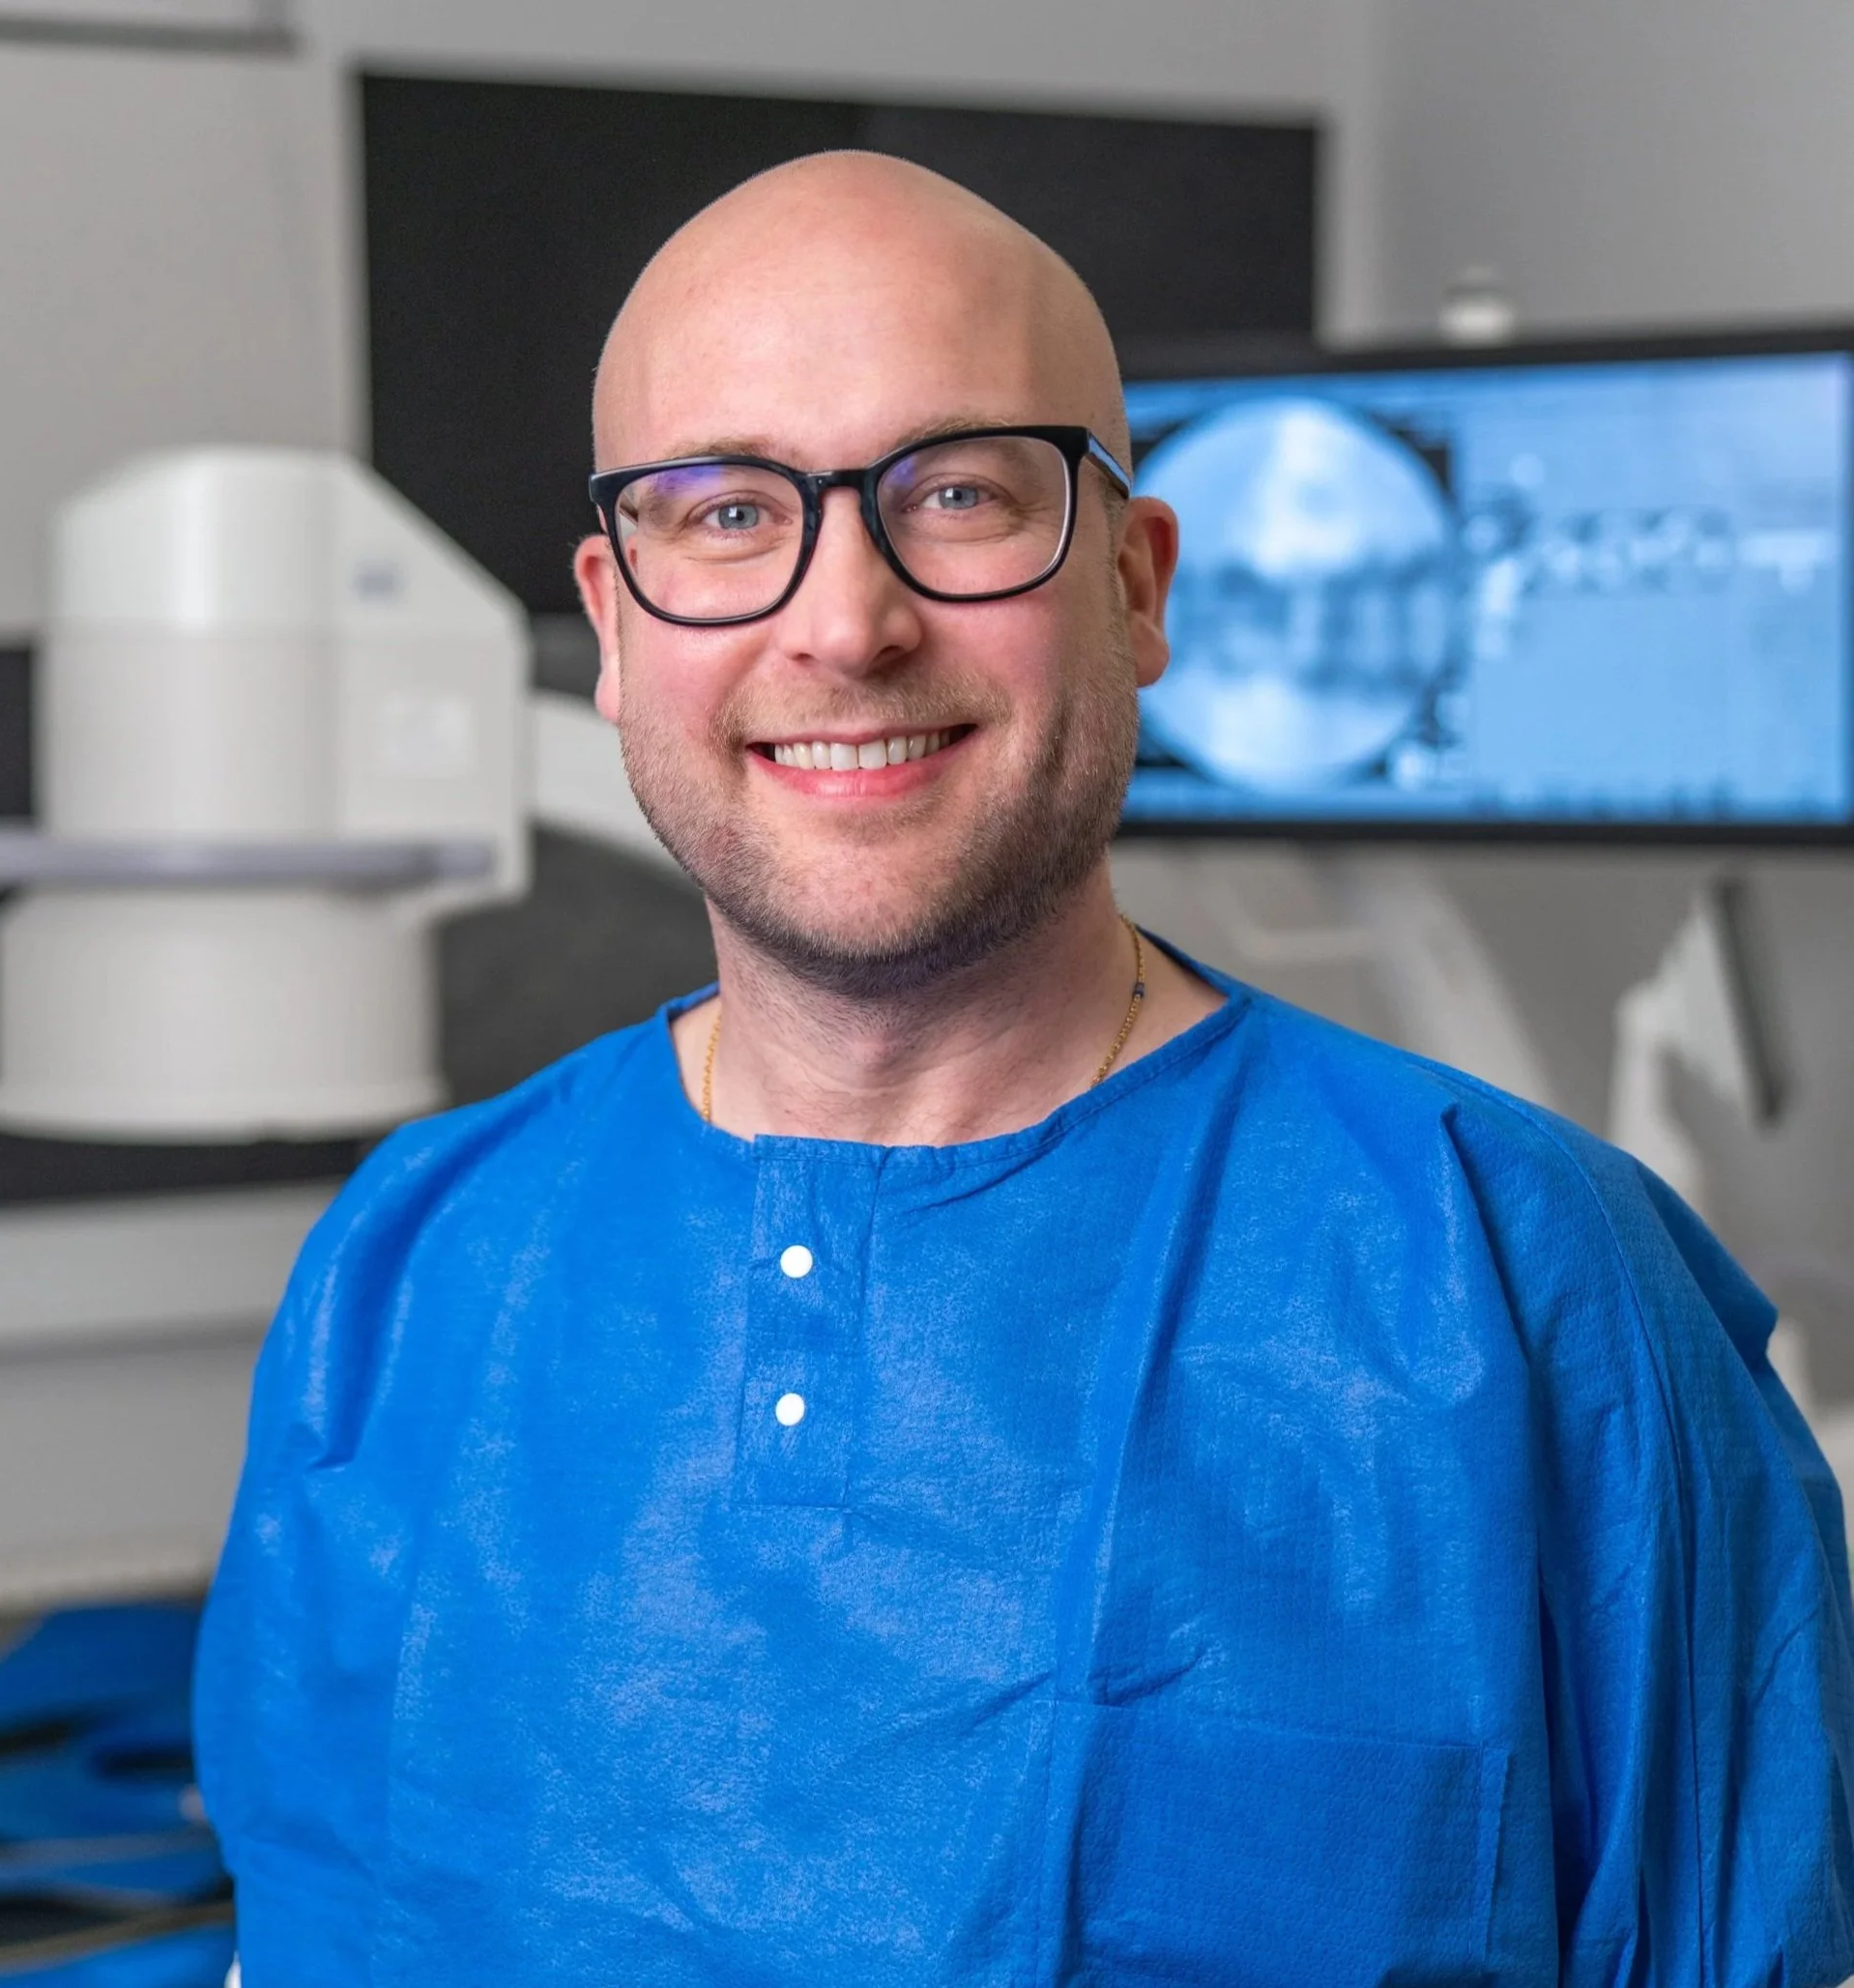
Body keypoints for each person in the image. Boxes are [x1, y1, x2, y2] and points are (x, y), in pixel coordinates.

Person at [194, 153, 1854, 1985]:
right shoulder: (411, 1266)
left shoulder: (1525, 1277)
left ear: (1136, 588)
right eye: (728, 512)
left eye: (960, 493)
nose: (846, 624)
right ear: (613, 621)